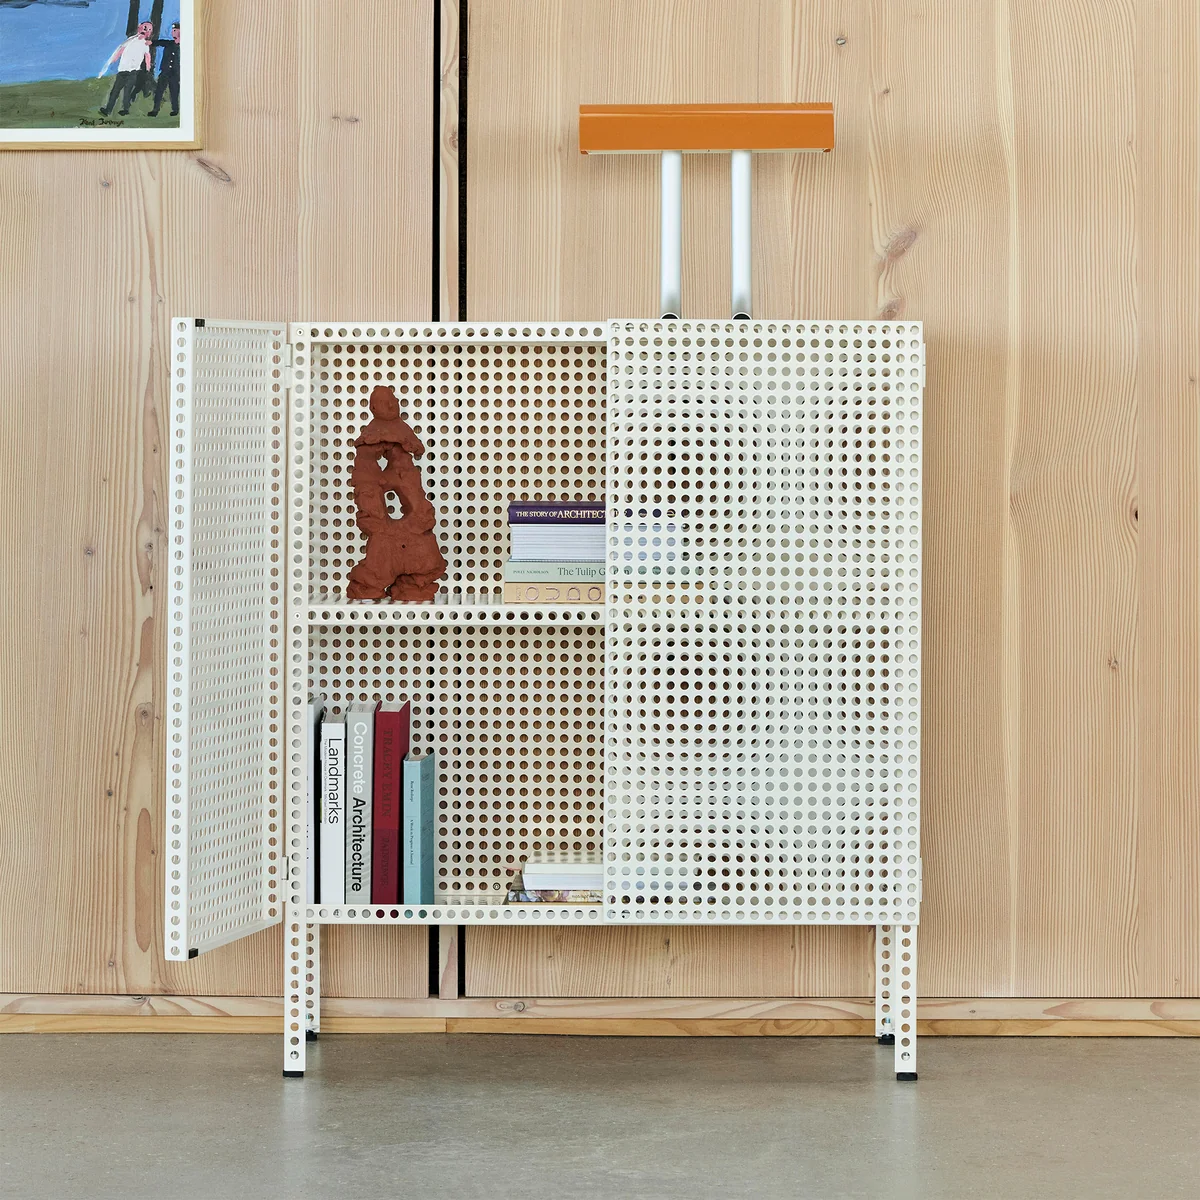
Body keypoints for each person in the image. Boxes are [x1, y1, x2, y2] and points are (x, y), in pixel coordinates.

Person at [98, 23, 152, 117]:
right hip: (123, 70)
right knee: (115, 91)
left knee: (127, 91)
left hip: (133, 71)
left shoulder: (145, 44)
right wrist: (114, 59)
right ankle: (108, 110)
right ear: (139, 27)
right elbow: (121, 49)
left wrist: (148, 68)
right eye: (144, 27)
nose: (146, 30)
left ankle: (125, 109)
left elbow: (147, 56)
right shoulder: (130, 40)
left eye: (149, 29)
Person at [149, 23, 181, 118]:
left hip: (175, 73)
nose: (173, 32)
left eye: (175, 30)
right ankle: (155, 109)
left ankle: (175, 109)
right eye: (173, 30)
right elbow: (159, 42)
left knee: (174, 92)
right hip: (165, 72)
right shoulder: (169, 43)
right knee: (159, 91)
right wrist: (150, 42)